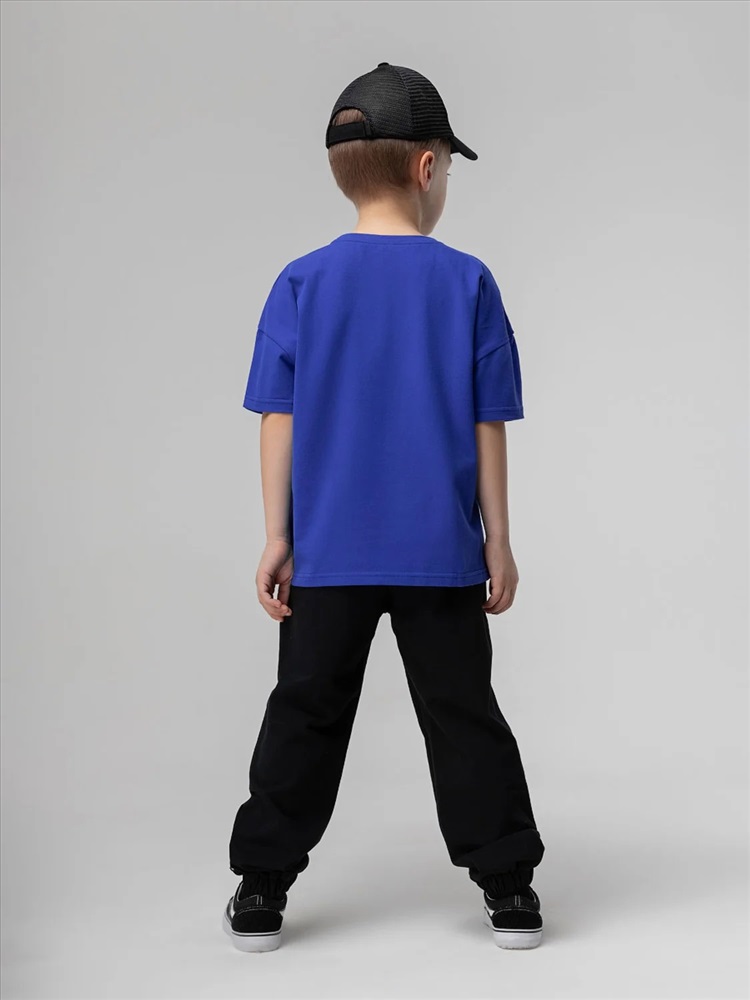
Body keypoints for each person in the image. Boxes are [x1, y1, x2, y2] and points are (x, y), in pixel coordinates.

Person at [223, 61, 545, 953]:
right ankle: (508, 884)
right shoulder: (467, 282)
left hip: (327, 552)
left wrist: (278, 535)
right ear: (427, 167)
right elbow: (487, 422)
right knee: (464, 715)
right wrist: (499, 539)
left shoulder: (301, 282)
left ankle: (261, 884)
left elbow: (278, 417)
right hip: (442, 551)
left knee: (304, 712)